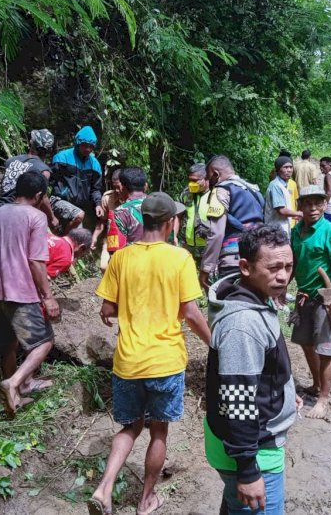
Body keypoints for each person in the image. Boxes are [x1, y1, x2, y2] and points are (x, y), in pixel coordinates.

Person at [89, 192, 211, 515]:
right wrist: (214, 343)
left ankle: (104, 488)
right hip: (165, 362)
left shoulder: (121, 258)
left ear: (143, 219)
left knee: (129, 427)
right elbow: (191, 312)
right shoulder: (180, 259)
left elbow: (106, 308)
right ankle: (145, 501)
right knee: (158, 431)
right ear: (171, 222)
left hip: (127, 362)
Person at [205, 225, 302, 515]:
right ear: (245, 267)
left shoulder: (256, 297)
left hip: (249, 437)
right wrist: (248, 470)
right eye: (273, 268)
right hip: (252, 448)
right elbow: (237, 400)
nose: (283, 276)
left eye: (288, 266)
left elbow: (259, 372)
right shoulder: (243, 324)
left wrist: (284, 393)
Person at [0, 171, 60, 416]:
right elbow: (36, 260)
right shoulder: (36, 216)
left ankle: (17, 393)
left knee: (9, 344)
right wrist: (48, 297)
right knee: (44, 342)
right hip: (21, 291)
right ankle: (14, 382)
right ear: (38, 196)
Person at [290, 185, 331, 419]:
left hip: (325, 298)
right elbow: (294, 262)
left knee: (325, 349)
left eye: (318, 203)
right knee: (306, 343)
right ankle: (316, 385)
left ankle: (324, 398)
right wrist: (282, 286)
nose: (313, 208)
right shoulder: (296, 233)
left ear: (325, 205)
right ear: (300, 206)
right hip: (303, 297)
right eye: (307, 203)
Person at [199, 156, 265, 290]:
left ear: (216, 174)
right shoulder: (254, 190)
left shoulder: (221, 191)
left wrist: (206, 268)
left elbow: (216, 233)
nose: (208, 182)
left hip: (234, 259)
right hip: (259, 256)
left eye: (208, 177)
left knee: (231, 302)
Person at [0, 129, 59, 230]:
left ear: (31, 142)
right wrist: (52, 218)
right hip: (16, 218)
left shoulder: (11, 161)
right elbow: (43, 197)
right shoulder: (43, 171)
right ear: (49, 150)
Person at [51, 125, 104, 225]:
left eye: (91, 146)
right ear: (78, 143)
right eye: (85, 145)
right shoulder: (62, 158)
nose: (88, 149)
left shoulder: (95, 165)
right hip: (60, 203)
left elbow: (95, 189)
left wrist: (98, 204)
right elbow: (51, 181)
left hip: (80, 208)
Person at [92, 168, 124, 272]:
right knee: (104, 267)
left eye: (119, 187)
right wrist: (95, 237)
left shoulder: (134, 198)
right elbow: (102, 221)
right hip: (112, 238)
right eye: (114, 187)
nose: (117, 191)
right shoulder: (107, 197)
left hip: (129, 239)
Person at [264, 156, 303, 237]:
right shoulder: (276, 186)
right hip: (275, 229)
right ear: (278, 170)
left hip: (281, 228)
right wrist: (299, 213)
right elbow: (281, 210)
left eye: (290, 167)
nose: (289, 170)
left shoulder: (284, 185)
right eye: (285, 167)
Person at [110, 167, 148, 250]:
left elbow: (115, 249)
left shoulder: (120, 212)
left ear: (122, 187)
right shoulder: (161, 206)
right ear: (145, 186)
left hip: (133, 260)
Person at [179, 163, 211, 256]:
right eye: (190, 180)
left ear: (206, 178)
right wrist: (175, 238)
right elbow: (178, 216)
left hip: (208, 246)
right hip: (187, 245)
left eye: (195, 180)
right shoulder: (185, 194)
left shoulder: (215, 195)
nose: (191, 184)